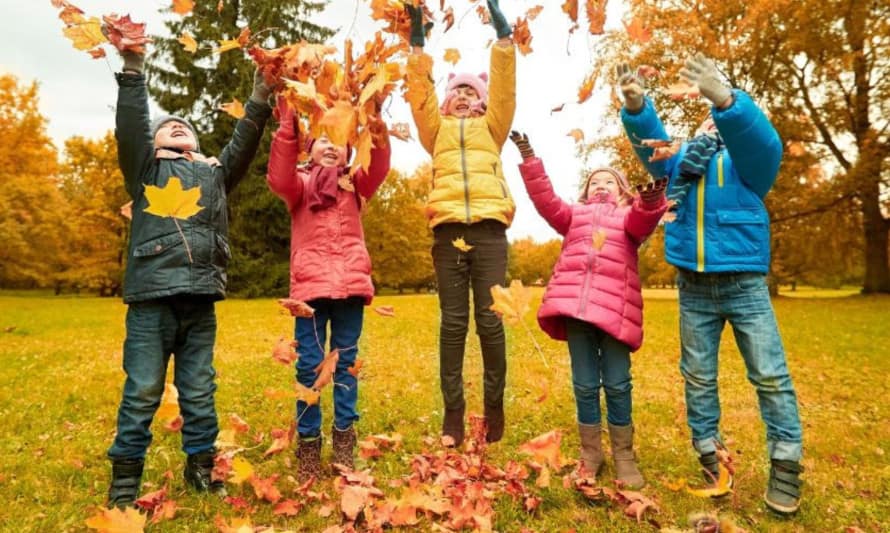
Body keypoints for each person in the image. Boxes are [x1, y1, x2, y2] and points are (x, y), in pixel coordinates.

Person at [617, 54, 804, 513]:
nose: (710, 121)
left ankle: (786, 463)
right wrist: (639, 109)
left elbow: (762, 142)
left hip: (744, 285)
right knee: (698, 376)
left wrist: (726, 100)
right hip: (694, 287)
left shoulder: (750, 165)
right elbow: (651, 148)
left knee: (770, 376)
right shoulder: (680, 163)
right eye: (707, 115)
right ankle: (709, 453)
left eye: (718, 114)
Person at [105, 35, 272, 507]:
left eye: (184, 126)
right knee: (142, 391)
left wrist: (260, 95)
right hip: (151, 301)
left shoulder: (214, 175)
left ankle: (202, 469)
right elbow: (132, 127)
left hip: (199, 302)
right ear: (154, 146)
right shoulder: (146, 172)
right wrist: (134, 69)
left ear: (198, 144)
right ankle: (124, 485)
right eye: (168, 126)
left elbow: (242, 143)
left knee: (200, 391)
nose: (176, 126)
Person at [510, 131, 667, 488]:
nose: (601, 185)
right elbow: (546, 200)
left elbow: (644, 220)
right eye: (594, 181)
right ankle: (591, 453)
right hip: (577, 312)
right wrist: (530, 158)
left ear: (623, 190)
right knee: (584, 384)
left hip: (615, 314)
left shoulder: (627, 217)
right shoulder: (574, 216)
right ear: (584, 191)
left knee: (617, 383)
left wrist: (650, 201)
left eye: (609, 181)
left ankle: (624, 455)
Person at [404, 0, 516, 446]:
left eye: (472, 92)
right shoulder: (437, 131)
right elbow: (420, 99)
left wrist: (503, 42)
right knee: (453, 323)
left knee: (490, 322)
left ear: (482, 101)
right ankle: (454, 412)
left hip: (489, 230)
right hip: (448, 231)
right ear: (449, 101)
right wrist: (417, 47)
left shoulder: (494, 128)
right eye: (459, 92)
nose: (465, 97)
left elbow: (505, 92)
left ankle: (493, 407)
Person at [267, 97, 391, 479]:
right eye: (322, 138)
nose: (330, 144)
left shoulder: (355, 185)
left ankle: (343, 441)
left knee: (346, 365)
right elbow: (279, 175)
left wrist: (374, 120)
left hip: (351, 287)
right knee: (309, 366)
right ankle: (308, 447)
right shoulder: (299, 187)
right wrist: (289, 121)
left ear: (349, 150)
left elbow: (380, 165)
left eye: (338, 139)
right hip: (310, 291)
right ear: (309, 148)